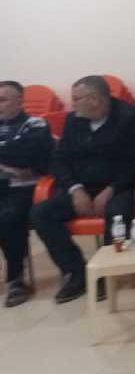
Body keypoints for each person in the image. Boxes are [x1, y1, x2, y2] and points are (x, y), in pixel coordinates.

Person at [31, 76, 135, 303]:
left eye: (76, 99)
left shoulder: (133, 118)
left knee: (116, 212)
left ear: (95, 99)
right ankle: (77, 272)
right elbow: (59, 159)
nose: (72, 104)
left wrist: (112, 189)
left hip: (121, 186)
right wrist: (75, 189)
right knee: (40, 213)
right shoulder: (74, 121)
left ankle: (106, 273)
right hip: (82, 188)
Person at [0, 81, 54, 307]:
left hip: (23, 188)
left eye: (3, 100)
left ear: (20, 101)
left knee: (8, 217)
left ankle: (16, 280)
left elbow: (27, 157)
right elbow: (14, 154)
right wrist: (9, 160)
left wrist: (11, 157)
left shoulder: (35, 124)